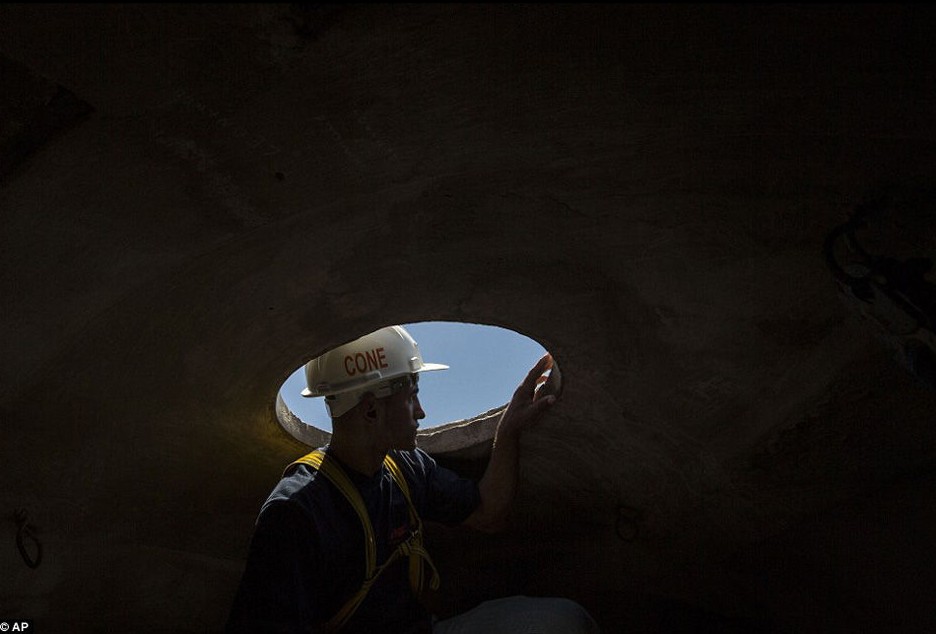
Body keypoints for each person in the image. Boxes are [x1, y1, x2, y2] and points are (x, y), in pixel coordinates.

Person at [226, 325, 599, 633]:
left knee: (564, 620)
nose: (421, 411)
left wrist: (509, 431)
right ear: (371, 410)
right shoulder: (295, 513)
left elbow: (489, 514)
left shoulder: (406, 467)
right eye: (412, 395)